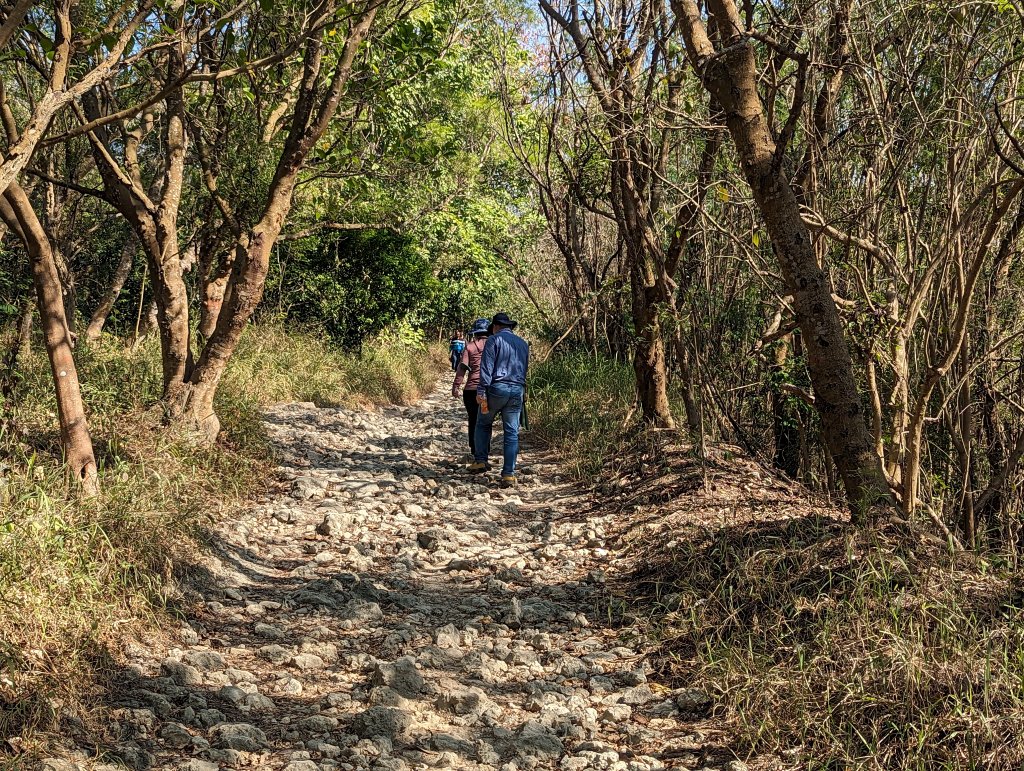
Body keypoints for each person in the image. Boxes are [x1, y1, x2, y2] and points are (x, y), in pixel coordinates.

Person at [470, 312, 529, 487]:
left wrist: (481, 391)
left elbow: (487, 368)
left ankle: (481, 459)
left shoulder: (493, 340)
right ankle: (508, 474)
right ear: (510, 327)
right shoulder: (523, 344)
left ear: (495, 326)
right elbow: (524, 369)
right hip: (516, 390)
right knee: (511, 432)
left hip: (497, 388)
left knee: (483, 423)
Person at [452, 318, 490, 458]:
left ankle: (474, 449)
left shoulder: (470, 347)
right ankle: (485, 449)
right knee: (486, 420)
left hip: (471, 391)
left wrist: (456, 386)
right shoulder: (494, 346)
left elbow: (462, 368)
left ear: (475, 333)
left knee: (473, 419)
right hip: (487, 391)